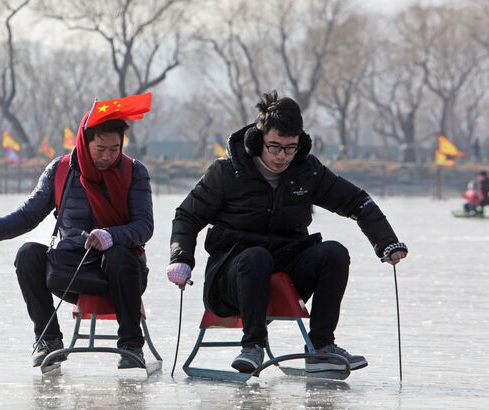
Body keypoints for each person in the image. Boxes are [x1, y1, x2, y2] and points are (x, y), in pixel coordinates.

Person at [166, 90, 408, 374]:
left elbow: (357, 202)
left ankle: (320, 347)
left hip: (286, 265)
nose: (282, 157)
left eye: (290, 148)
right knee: (255, 257)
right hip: (232, 274)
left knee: (334, 253)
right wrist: (180, 258)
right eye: (274, 147)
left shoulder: (307, 171)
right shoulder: (226, 172)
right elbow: (187, 215)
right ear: (259, 140)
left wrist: (387, 243)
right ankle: (252, 345)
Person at [0, 104, 154, 370]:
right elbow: (29, 214)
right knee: (28, 254)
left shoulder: (135, 172)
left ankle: (130, 345)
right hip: (71, 271)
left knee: (118, 255)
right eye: (100, 149)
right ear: (84, 142)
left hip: (122, 273)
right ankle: (49, 341)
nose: (107, 157)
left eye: (114, 150)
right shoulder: (61, 169)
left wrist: (110, 235)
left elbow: (144, 226)